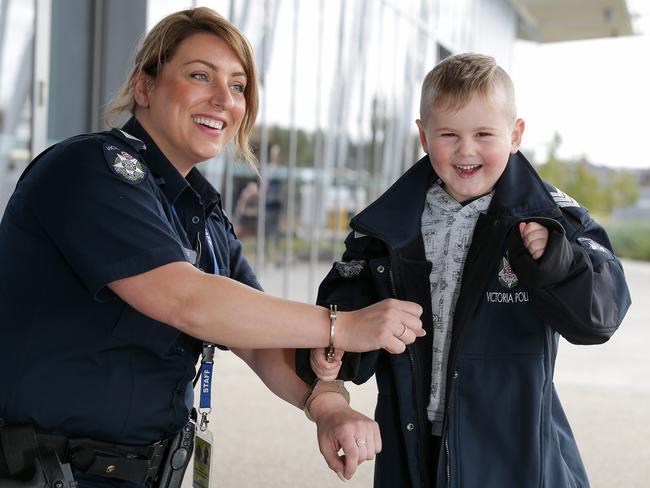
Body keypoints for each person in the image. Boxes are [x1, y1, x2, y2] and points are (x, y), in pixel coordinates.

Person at [0, 7, 425, 488]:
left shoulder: (201, 214)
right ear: (144, 87)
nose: (224, 99)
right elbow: (187, 300)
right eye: (200, 75)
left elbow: (256, 332)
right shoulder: (90, 169)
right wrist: (344, 326)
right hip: (45, 472)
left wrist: (326, 404)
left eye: (239, 86)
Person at [298, 53, 631, 487]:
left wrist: (559, 262)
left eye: (483, 134)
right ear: (423, 135)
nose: (466, 149)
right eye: (449, 134)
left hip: (512, 452)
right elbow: (348, 308)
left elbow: (601, 315)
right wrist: (337, 346)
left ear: (515, 135)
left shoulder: (550, 219)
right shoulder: (386, 227)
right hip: (413, 437)